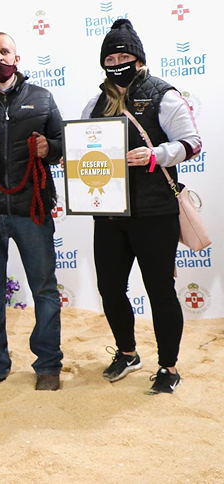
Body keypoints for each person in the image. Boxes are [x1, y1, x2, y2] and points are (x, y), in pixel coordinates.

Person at [82, 19, 201, 394]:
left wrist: (156, 155)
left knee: (160, 291)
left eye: (124, 55)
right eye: (111, 56)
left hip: (155, 213)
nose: (117, 61)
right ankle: (127, 352)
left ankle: (169, 366)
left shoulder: (164, 94)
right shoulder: (95, 102)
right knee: (110, 288)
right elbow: (84, 149)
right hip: (110, 213)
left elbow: (192, 142)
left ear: (138, 58)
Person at [0, 32, 64, 391]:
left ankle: (48, 365)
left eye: (5, 51)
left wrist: (49, 148)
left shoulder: (43, 98)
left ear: (17, 58)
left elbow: (63, 148)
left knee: (44, 289)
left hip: (31, 209)